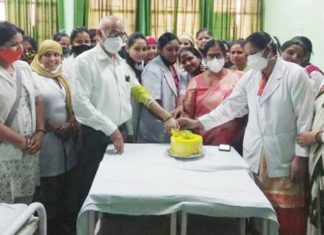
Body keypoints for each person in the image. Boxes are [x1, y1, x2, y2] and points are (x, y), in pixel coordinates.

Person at [178, 31, 314, 235]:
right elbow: (230, 107)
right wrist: (198, 123)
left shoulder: (294, 74)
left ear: (268, 50)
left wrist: (300, 157)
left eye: (252, 54)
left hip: (284, 153)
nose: (249, 59)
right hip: (256, 153)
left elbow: (305, 119)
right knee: (258, 211)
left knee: (286, 212)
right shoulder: (251, 77)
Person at [71, 16, 178, 205]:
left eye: (121, 34)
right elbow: (80, 103)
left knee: (115, 183)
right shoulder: (85, 62)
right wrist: (110, 128)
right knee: (93, 183)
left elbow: (140, 92)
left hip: (119, 131)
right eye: (113, 33)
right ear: (99, 34)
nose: (118, 38)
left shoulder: (120, 63)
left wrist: (166, 116)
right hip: (96, 134)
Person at [30, 39, 78, 235]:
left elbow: (74, 103)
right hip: (48, 139)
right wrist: (51, 126)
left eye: (56, 55)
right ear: (39, 57)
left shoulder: (62, 76)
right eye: (47, 55)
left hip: (67, 139)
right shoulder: (33, 77)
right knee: (49, 188)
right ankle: (47, 228)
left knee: (66, 186)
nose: (52, 59)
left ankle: (64, 226)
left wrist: (71, 123)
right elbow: (32, 107)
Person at [0, 21, 45, 203]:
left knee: (26, 202)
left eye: (21, 42)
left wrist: (40, 132)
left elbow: (38, 99)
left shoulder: (23, 68)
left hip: (29, 152)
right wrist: (22, 142)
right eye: (13, 44)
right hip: (5, 153)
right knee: (5, 209)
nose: (20, 48)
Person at [182, 39, 245, 152]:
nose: (215, 59)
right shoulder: (195, 82)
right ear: (205, 58)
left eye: (218, 55)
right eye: (211, 56)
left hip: (235, 143)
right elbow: (187, 113)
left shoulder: (240, 77)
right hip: (202, 143)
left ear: (225, 56)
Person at [137, 32, 183, 143]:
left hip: (168, 124)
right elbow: (152, 102)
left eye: (177, 49)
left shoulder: (171, 66)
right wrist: (167, 117)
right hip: (156, 129)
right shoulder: (152, 69)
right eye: (169, 49)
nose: (174, 53)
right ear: (160, 49)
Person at [124, 32, 147, 140]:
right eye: (137, 49)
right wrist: (130, 131)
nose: (141, 52)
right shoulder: (124, 69)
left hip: (140, 117)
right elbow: (124, 101)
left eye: (144, 49)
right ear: (127, 49)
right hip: (127, 122)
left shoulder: (142, 68)